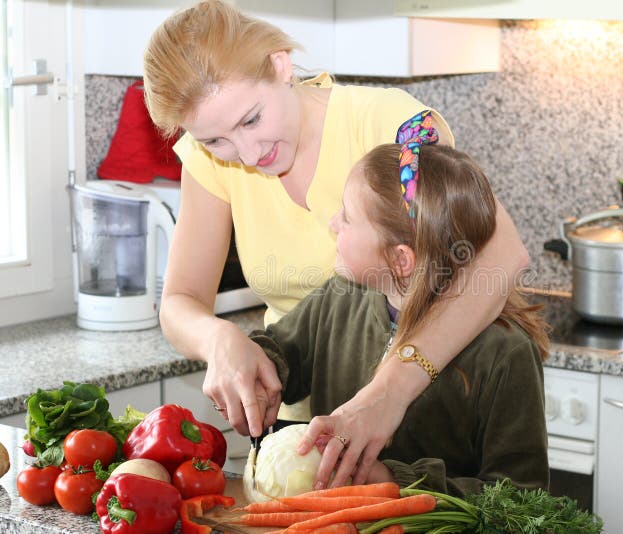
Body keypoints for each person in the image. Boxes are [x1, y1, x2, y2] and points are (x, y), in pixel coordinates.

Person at [142, 0, 530, 488]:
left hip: (415, 416)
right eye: (214, 140)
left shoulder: (392, 123)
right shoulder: (209, 162)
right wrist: (220, 340)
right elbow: (180, 302)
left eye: (251, 119)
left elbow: (501, 255)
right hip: (300, 437)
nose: (246, 154)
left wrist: (385, 395)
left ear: (280, 65)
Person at [250, 131, 550, 496]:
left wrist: (393, 484)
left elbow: (523, 496)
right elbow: (281, 353)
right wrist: (254, 366)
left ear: (400, 259)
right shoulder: (340, 297)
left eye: (347, 217)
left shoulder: (504, 354)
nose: (332, 223)